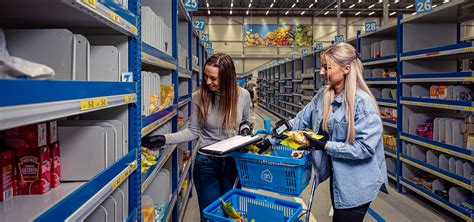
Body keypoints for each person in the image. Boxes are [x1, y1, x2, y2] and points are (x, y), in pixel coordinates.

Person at [280, 42, 388, 222]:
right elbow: (299, 120)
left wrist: (325, 145)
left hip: (358, 182)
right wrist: (274, 135)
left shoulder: (362, 103)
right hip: (338, 176)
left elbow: (364, 148)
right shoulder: (323, 95)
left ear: (346, 69)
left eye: (326, 67)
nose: (321, 72)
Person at [142, 53, 251, 220]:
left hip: (233, 163)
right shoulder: (199, 96)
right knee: (209, 217)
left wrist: (244, 130)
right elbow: (193, 131)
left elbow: (244, 121)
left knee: (232, 215)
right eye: (206, 76)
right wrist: (164, 139)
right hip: (207, 163)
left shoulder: (243, 95)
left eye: (213, 78)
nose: (208, 82)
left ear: (227, 78)